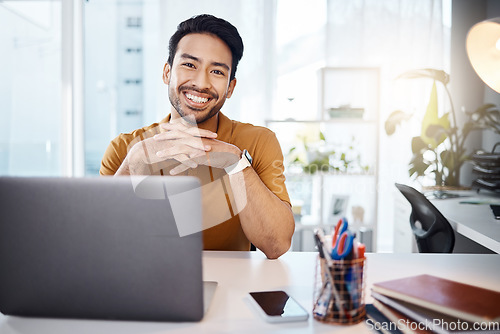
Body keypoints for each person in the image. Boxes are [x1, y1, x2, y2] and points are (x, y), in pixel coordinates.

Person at [100, 14, 294, 259]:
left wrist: (237, 163)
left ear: (230, 87)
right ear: (167, 72)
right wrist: (133, 164)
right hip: (146, 287)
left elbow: (277, 244)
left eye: (217, 71)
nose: (201, 83)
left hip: (231, 290)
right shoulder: (124, 147)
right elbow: (100, 245)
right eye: (189, 65)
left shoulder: (258, 141)